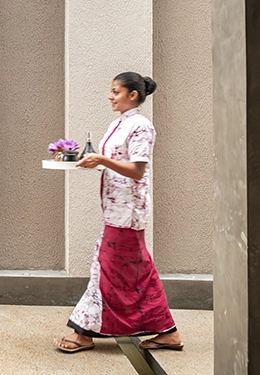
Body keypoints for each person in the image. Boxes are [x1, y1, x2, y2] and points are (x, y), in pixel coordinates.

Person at [53, 72, 183, 353]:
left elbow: (137, 170)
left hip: (128, 211)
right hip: (115, 208)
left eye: (115, 92)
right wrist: (91, 161)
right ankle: (168, 333)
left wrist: (101, 159)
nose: (110, 97)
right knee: (137, 272)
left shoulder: (142, 127)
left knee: (106, 268)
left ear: (132, 95)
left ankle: (83, 332)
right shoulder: (118, 124)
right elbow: (115, 163)